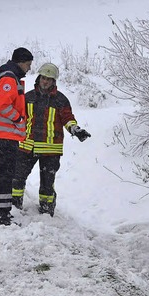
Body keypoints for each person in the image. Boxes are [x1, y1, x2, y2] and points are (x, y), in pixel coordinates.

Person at [11, 62, 91, 217]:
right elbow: (18, 116)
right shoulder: (28, 97)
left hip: (50, 150)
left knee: (47, 185)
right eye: (43, 78)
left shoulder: (60, 100)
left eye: (49, 79)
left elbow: (68, 119)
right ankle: (15, 207)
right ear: (39, 78)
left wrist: (75, 130)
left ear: (54, 81)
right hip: (28, 146)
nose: (45, 81)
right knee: (17, 178)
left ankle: (47, 213)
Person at [0, 47, 34, 225]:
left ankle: (3, 212)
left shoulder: (8, 76)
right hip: (4, 135)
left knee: (5, 174)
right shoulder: (8, 78)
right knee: (4, 175)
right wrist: (19, 117)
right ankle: (0, 215)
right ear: (20, 62)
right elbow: (3, 106)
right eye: (28, 64)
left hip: (4, 135)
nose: (29, 68)